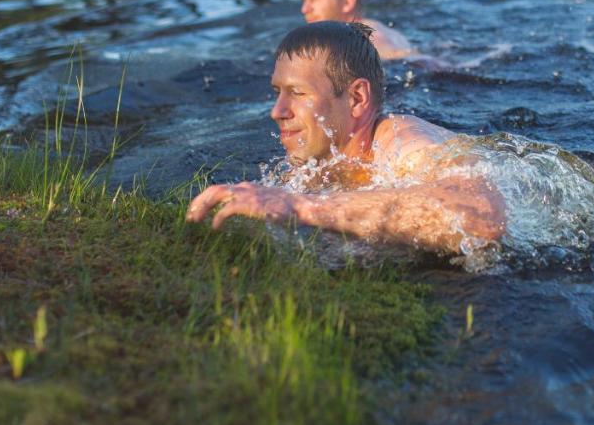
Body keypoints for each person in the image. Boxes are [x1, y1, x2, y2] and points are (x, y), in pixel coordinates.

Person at [185, 21, 505, 252]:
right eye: (277, 92)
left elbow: (480, 217)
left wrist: (301, 207)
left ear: (356, 98)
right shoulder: (317, 159)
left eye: (297, 92)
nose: (277, 111)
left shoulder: (402, 141)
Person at [300, 0, 418, 59]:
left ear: (347, 2)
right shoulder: (373, 28)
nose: (305, 9)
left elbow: (403, 57)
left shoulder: (361, 35)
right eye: (305, 0)